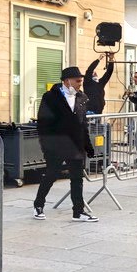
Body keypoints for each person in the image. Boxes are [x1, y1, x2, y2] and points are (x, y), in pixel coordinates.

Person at [33, 66, 98, 222]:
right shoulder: (50, 97)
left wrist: (88, 146)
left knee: (77, 178)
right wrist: (46, 145)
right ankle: (38, 204)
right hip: (56, 144)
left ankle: (78, 211)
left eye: (81, 81)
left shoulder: (81, 98)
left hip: (75, 144)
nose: (80, 84)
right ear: (67, 81)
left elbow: (83, 124)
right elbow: (43, 123)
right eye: (78, 81)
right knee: (51, 174)